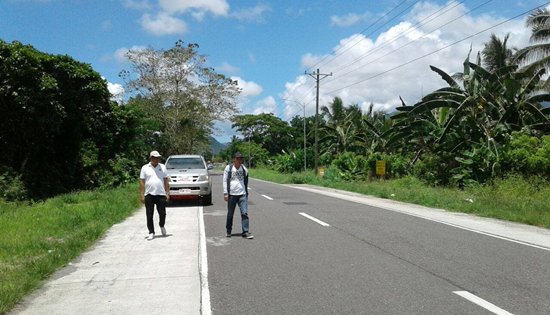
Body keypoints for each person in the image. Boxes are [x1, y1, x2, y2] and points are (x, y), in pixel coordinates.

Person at [139, 150, 170, 240]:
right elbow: (142, 181)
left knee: (162, 213)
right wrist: (141, 194)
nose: (157, 159)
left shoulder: (163, 167)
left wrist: (167, 193)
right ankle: (151, 232)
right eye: (155, 158)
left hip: (160, 193)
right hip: (149, 194)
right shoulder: (145, 168)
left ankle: (161, 225)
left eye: (158, 158)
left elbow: (166, 180)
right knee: (149, 214)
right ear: (151, 158)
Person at [223, 152, 254, 239]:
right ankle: (228, 231)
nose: (239, 160)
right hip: (232, 194)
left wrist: (246, 192)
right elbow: (225, 181)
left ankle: (245, 232)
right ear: (234, 159)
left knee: (244, 213)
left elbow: (246, 181)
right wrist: (225, 193)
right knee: (230, 214)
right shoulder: (228, 168)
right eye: (238, 158)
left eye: (241, 159)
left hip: (242, 194)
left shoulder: (244, 169)